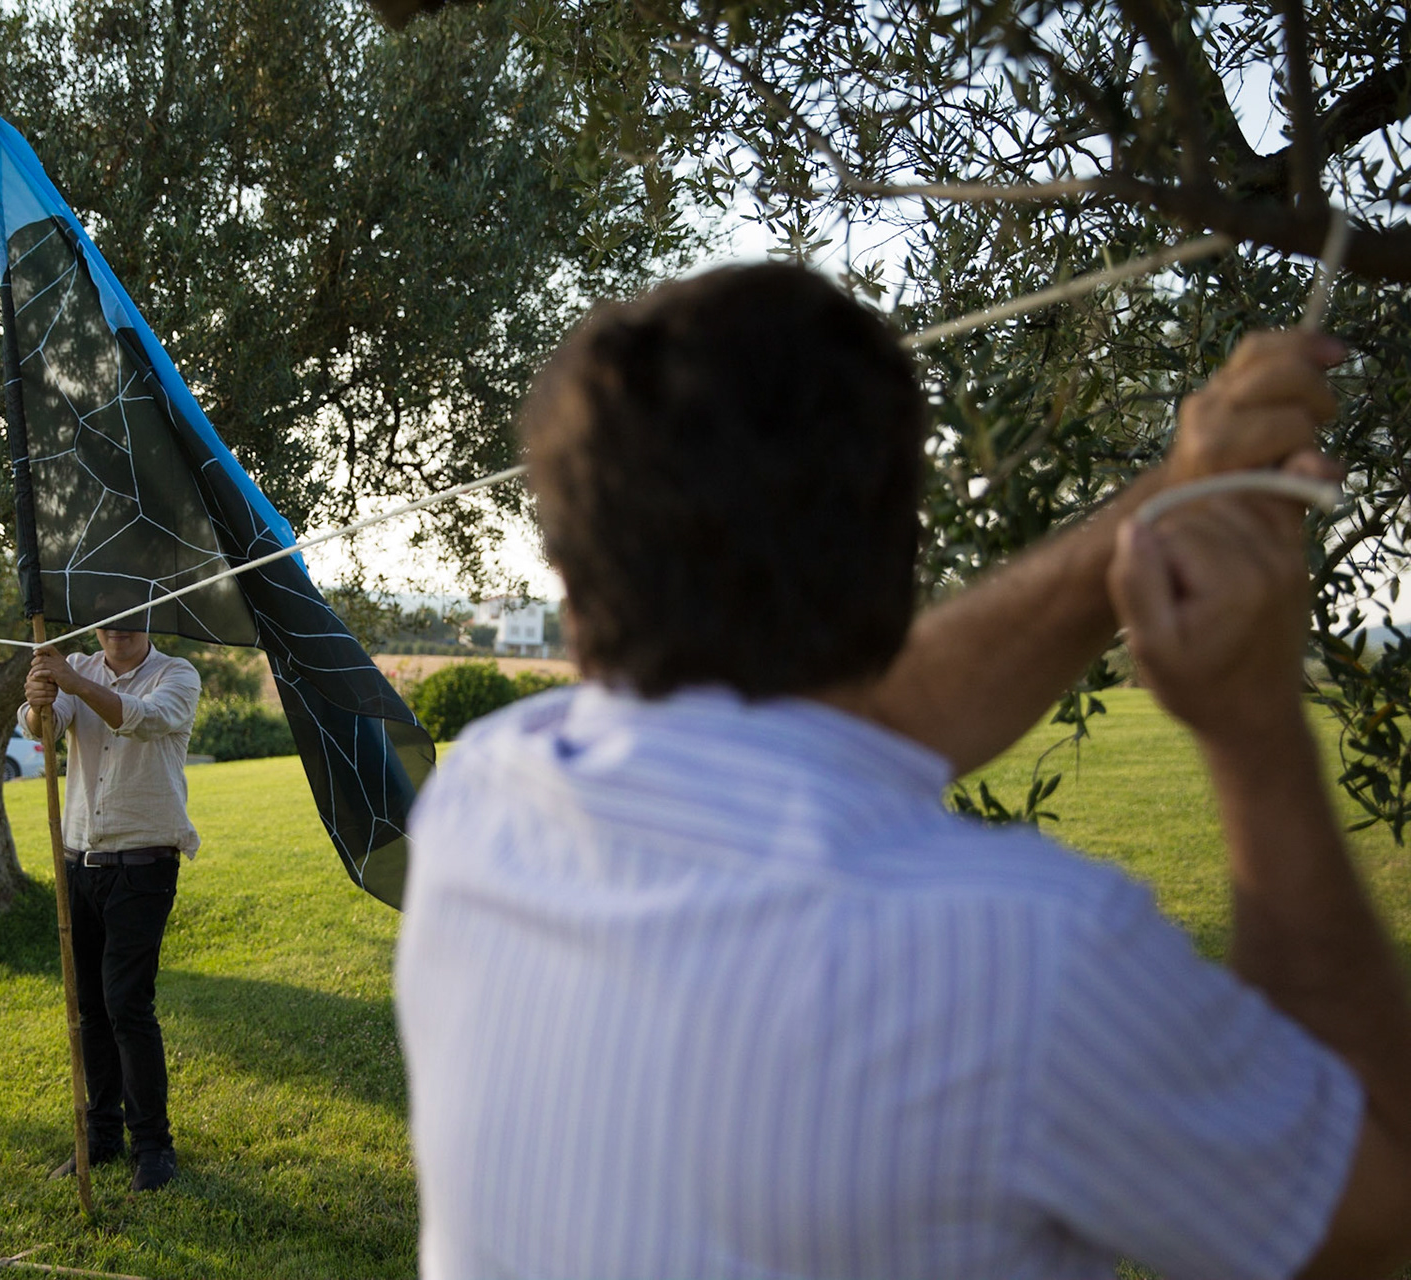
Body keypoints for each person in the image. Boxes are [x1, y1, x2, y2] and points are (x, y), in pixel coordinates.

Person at [394, 263, 1411, 1278]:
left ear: (570, 585)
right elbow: (1379, 1211)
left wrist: (1168, 494)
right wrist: (1256, 731)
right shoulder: (1034, 961)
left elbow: (854, 726)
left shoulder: (482, 801)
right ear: (902, 552)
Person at [22, 625, 202, 1193]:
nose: (117, 630)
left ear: (151, 619)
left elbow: (143, 719)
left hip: (144, 866)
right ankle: (101, 1137)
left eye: (130, 618)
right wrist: (37, 701)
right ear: (95, 626)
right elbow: (44, 732)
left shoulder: (177, 675)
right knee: (89, 1007)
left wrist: (70, 678)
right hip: (79, 860)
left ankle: (154, 1147)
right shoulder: (75, 665)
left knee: (127, 1002)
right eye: (107, 620)